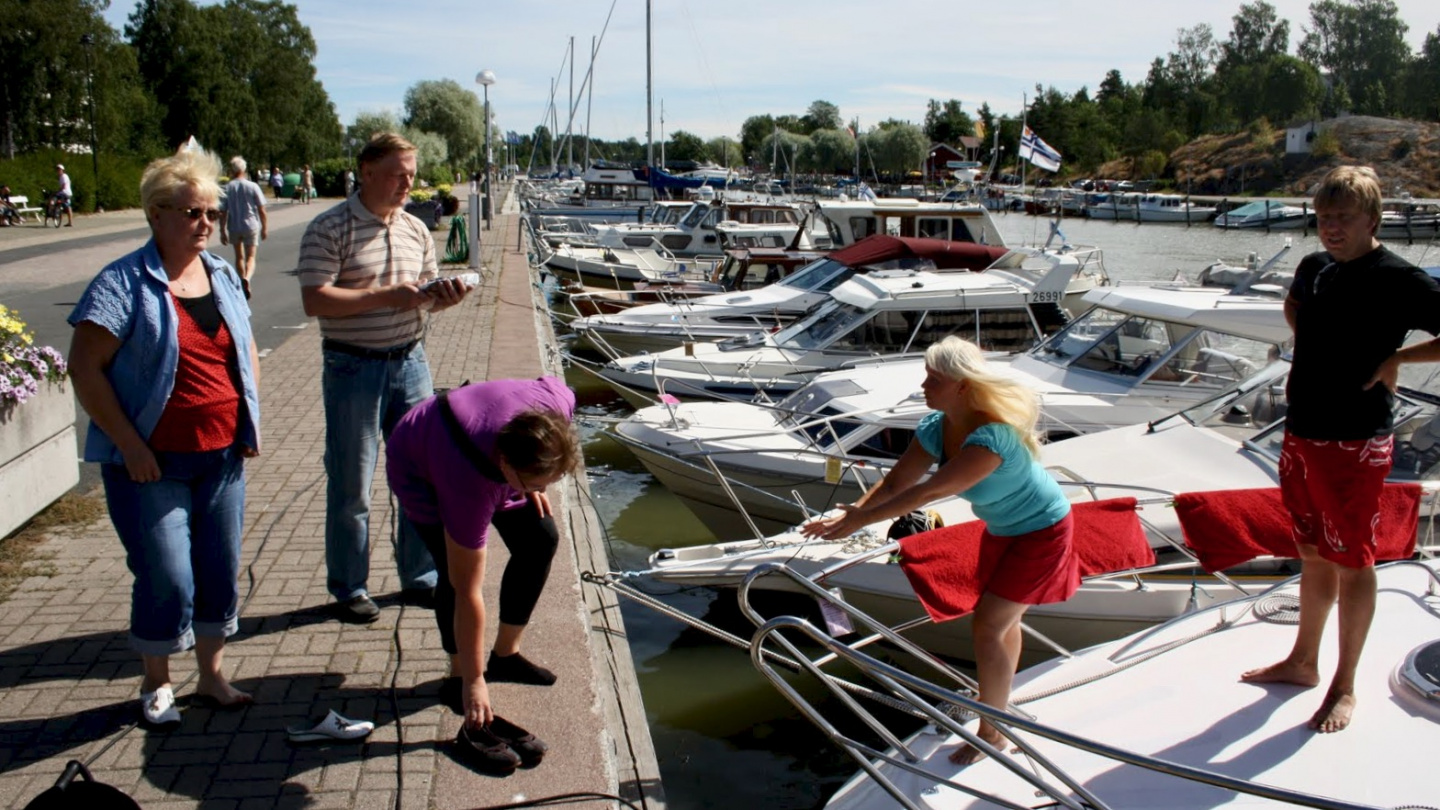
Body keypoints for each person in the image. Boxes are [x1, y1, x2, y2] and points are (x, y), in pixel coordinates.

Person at [802, 336, 1076, 765]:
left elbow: (930, 491)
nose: (924, 386)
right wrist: (849, 515)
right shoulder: (935, 428)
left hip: (1043, 530)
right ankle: (1001, 704)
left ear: (963, 386)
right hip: (1003, 529)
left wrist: (858, 522)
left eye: (933, 379)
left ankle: (992, 732)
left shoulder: (993, 439)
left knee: (988, 625)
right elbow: (897, 484)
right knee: (1003, 624)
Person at [1241, 165, 1440, 733]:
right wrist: (1309, 344)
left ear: (1372, 219)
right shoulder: (1314, 267)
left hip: (1356, 442)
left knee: (1353, 563)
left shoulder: (1399, 279)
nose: (1330, 227)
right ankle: (1303, 661)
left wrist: (1400, 359)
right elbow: (1294, 305)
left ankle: (1344, 684)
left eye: (1343, 218)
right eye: (1323, 217)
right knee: (1310, 552)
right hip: (1302, 433)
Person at [66, 148, 261, 726]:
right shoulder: (122, 282)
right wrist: (128, 443)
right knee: (167, 575)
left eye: (210, 212)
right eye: (191, 212)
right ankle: (156, 682)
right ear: (155, 214)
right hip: (150, 461)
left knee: (219, 569)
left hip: (222, 455)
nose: (205, 223)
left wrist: (249, 419)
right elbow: (84, 368)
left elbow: (243, 349)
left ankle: (212, 677)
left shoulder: (222, 273)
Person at [297, 132, 474, 624]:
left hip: (411, 360)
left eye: (411, 174)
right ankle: (349, 585)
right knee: (352, 482)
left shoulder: (415, 228)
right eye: (398, 173)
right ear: (367, 172)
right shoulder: (329, 227)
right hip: (353, 365)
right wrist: (385, 297)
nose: (407, 183)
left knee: (422, 476)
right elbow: (314, 300)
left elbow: (424, 292)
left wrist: (445, 296)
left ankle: (418, 576)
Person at [385, 377, 580, 733]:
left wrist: (533, 481)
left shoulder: (557, 403)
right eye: (534, 483)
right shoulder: (468, 485)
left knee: (540, 537)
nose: (543, 490)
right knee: (453, 574)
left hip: (496, 452)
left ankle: (506, 656)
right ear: (506, 465)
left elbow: (560, 392)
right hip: (421, 462)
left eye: (548, 482)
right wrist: (476, 681)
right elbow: (468, 591)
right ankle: (459, 676)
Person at [218, 156, 268, 298]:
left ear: (232, 170)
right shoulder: (252, 186)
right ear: (244, 169)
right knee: (251, 257)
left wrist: (222, 231)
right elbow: (261, 210)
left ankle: (242, 281)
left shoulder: (227, 188)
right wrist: (264, 228)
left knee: (239, 256)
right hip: (251, 225)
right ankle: (247, 278)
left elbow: (223, 212)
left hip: (234, 226)